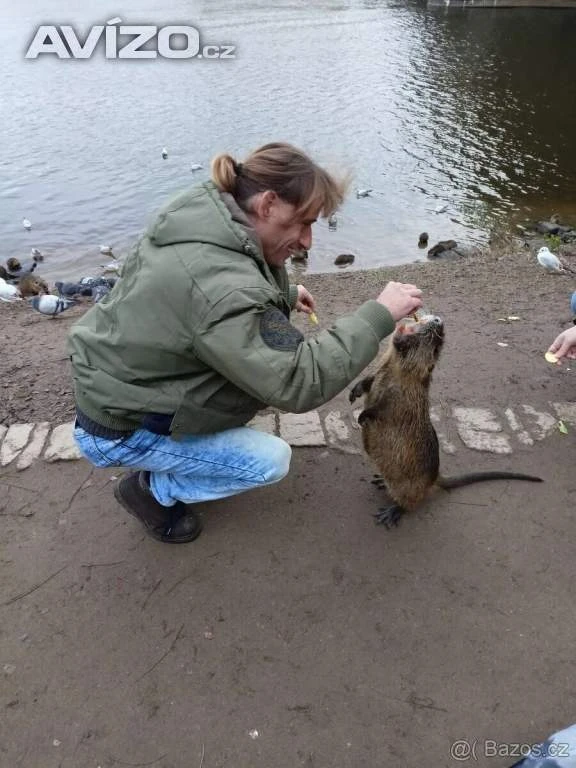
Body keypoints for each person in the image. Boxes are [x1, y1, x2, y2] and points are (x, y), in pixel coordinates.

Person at [69, 142, 423, 544]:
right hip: (118, 427)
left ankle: (176, 459)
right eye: (304, 223)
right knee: (270, 461)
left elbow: (205, 300)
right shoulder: (220, 287)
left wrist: (284, 295)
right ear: (268, 204)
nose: (308, 241)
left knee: (249, 384)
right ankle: (152, 490)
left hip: (117, 386)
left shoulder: (202, 217)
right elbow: (296, 381)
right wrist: (378, 316)